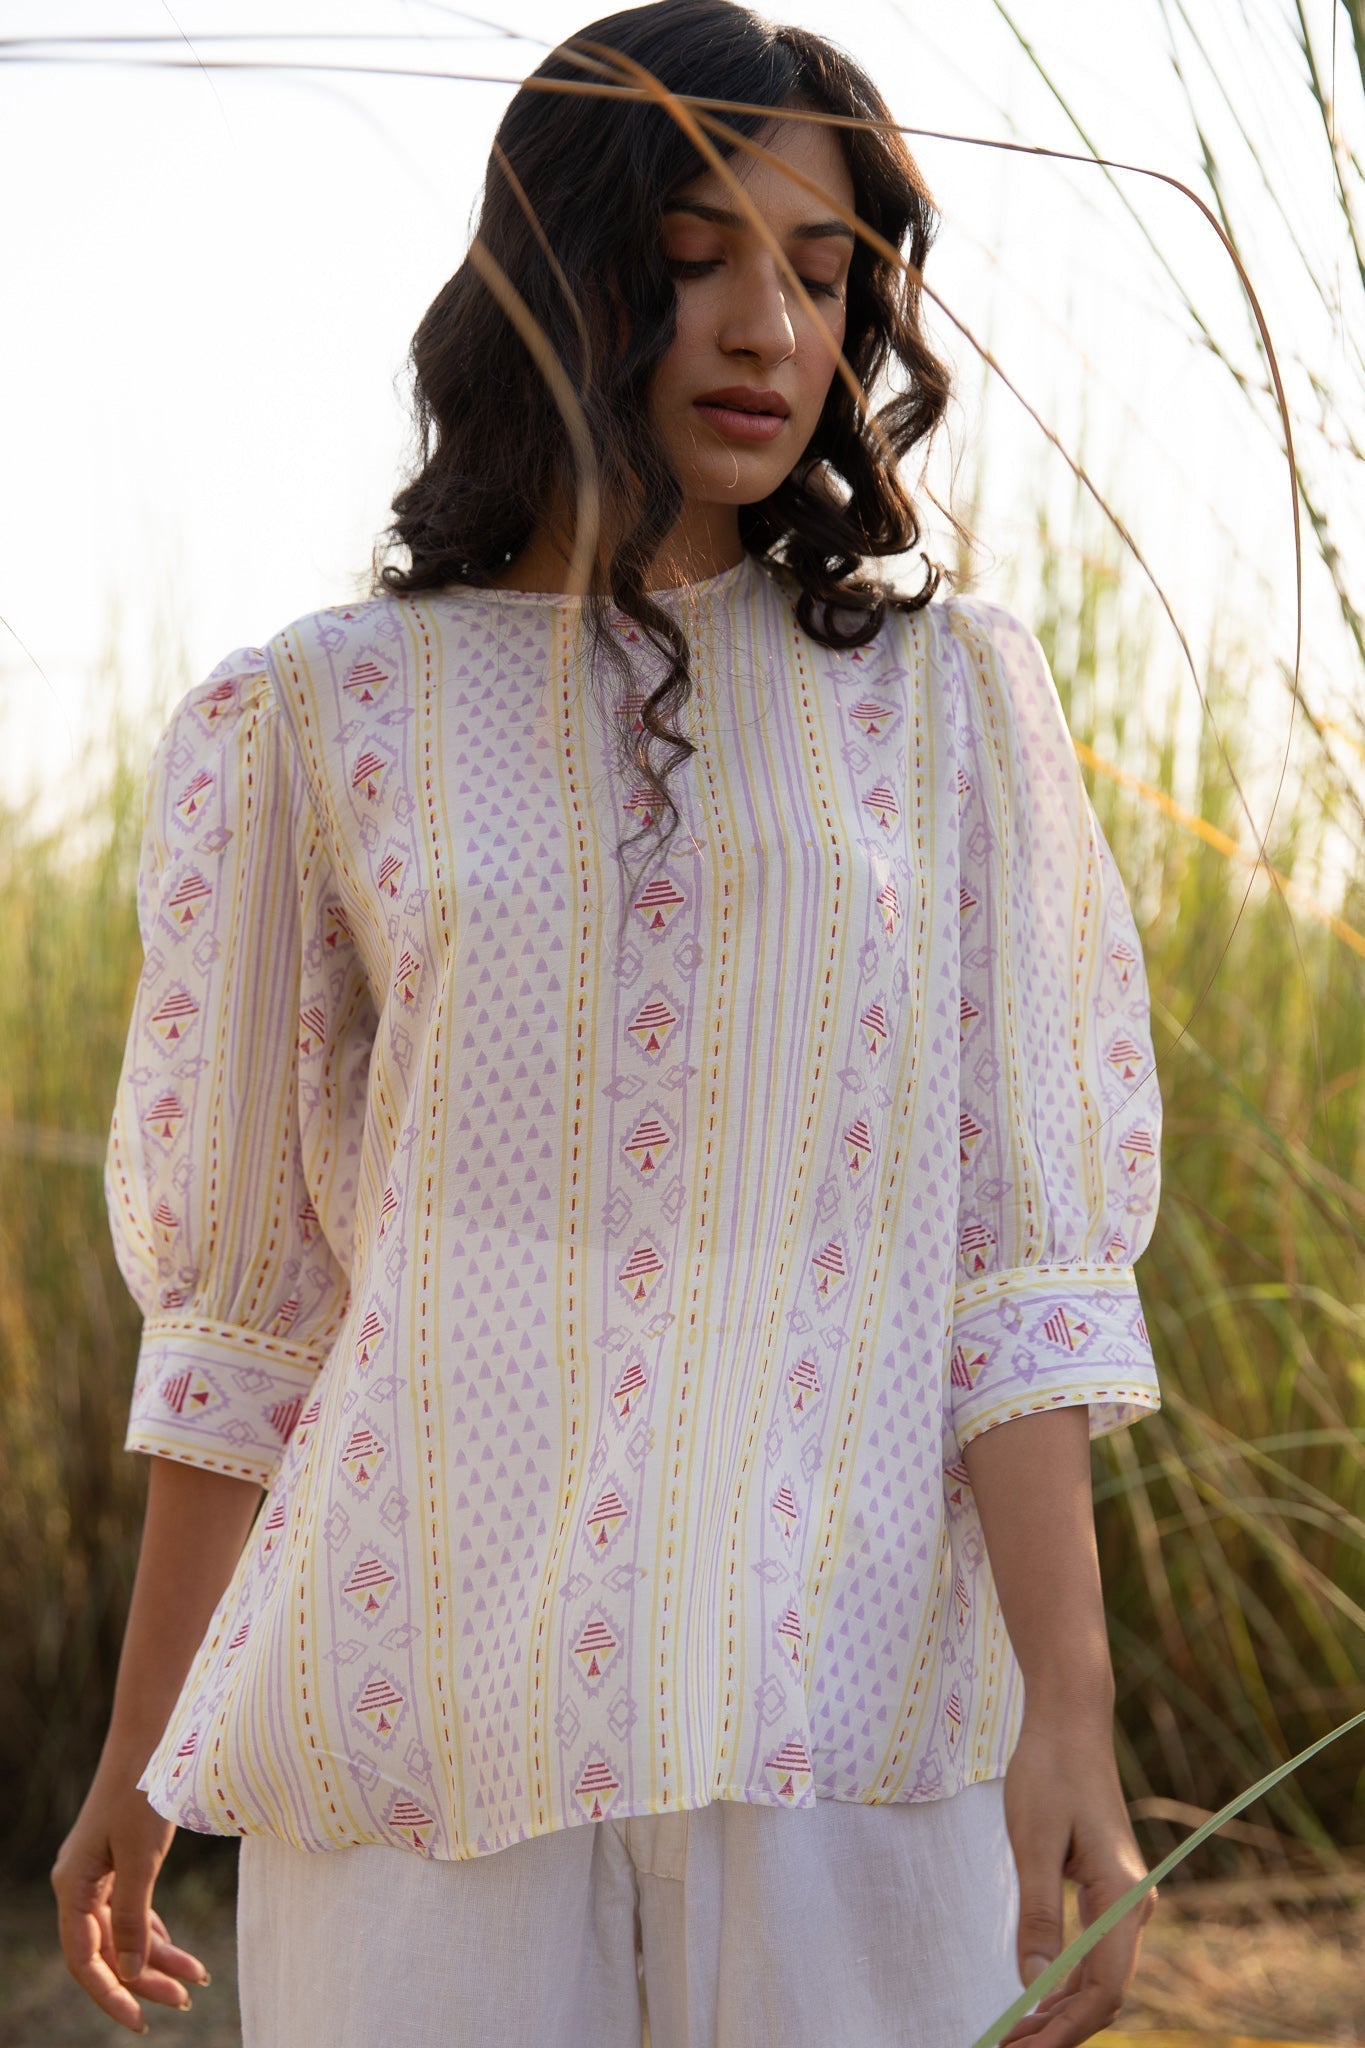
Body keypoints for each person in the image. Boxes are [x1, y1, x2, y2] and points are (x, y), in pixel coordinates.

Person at [52, 5, 1165, 2043]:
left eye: (818, 272)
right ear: (563, 276)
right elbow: (249, 1310)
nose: (767, 327)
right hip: (422, 1717)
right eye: (693, 256)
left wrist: (1068, 1721)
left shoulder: (939, 712)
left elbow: (1015, 1271)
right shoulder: (322, 713)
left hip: (844, 1720)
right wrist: (143, 1746)